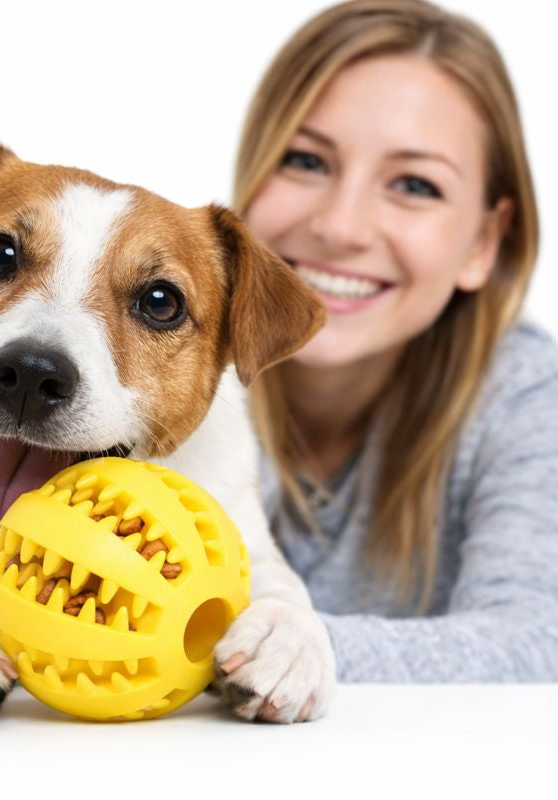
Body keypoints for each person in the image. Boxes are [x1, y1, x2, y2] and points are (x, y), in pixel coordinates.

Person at [234, 0, 558, 680]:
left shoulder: (526, 399)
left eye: (415, 185)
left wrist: (288, 646)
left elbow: (537, 642)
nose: (341, 226)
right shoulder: (152, 354)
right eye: (305, 160)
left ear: (485, 242)